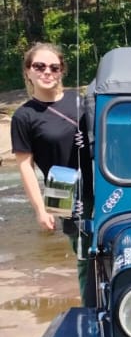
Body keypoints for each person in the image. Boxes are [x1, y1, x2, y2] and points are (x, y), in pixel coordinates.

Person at [10, 43, 94, 302]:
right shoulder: (24, 116)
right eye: (39, 66)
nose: (47, 72)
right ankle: (90, 313)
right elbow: (26, 165)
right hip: (63, 192)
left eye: (54, 67)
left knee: (115, 253)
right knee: (85, 258)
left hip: (100, 185)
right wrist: (40, 209)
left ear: (62, 71)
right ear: (28, 72)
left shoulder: (81, 102)